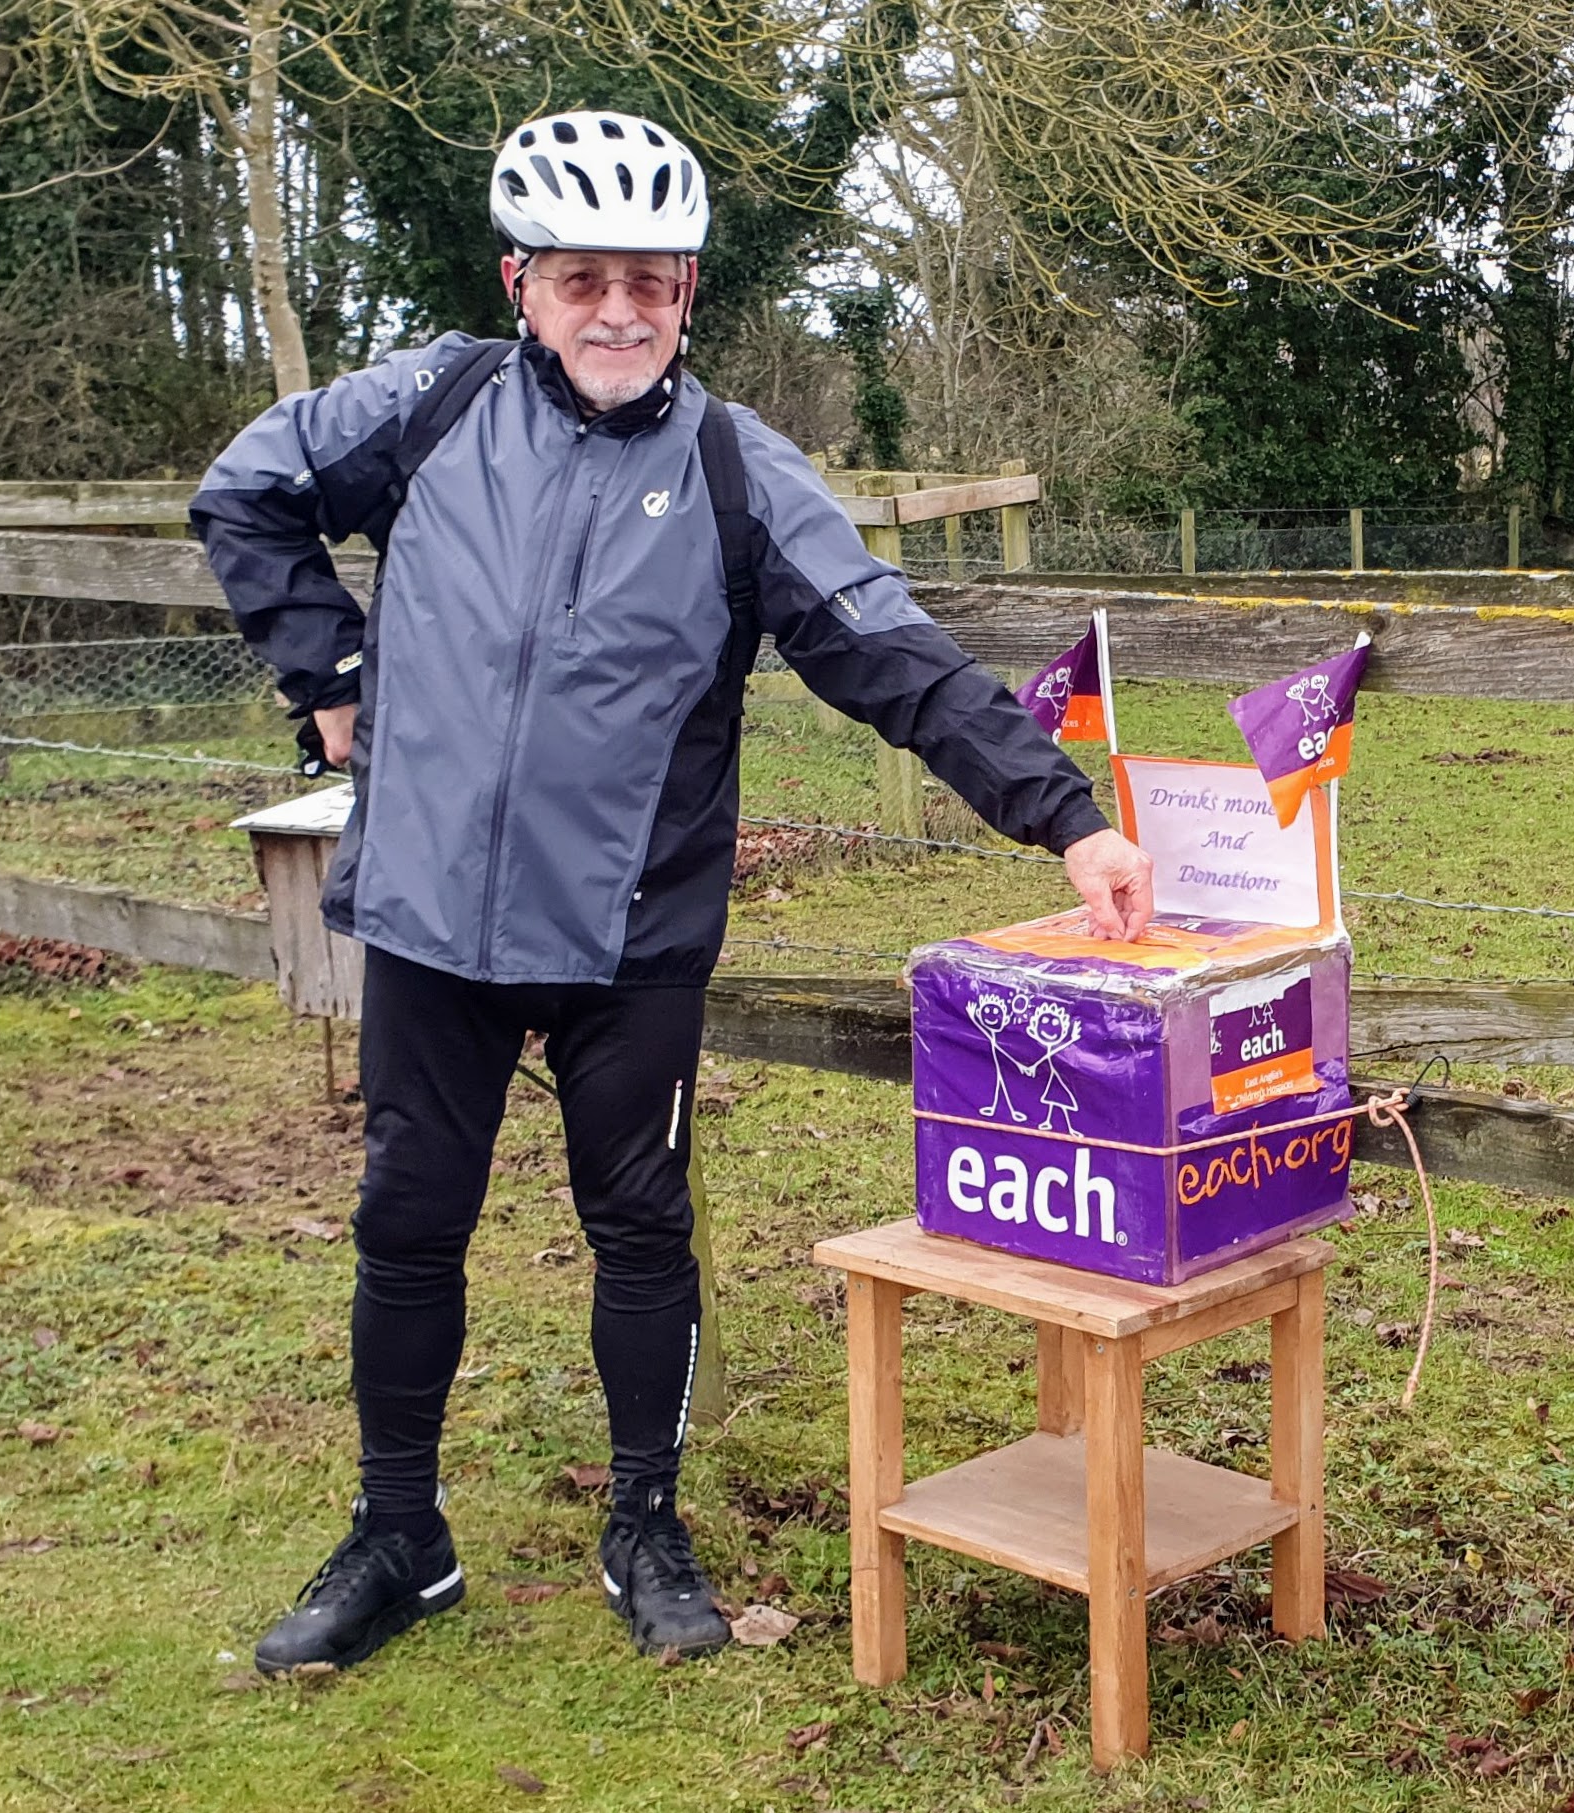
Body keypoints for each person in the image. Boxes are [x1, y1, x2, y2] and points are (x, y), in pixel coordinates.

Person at [190, 109, 1154, 1676]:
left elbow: (892, 653)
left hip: (627, 931)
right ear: (520, 283)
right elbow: (247, 490)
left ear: (688, 290)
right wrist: (329, 676)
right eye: (582, 278)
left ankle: (643, 1520)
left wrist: (1066, 819)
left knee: (640, 1225)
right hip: (432, 910)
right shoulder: (432, 406)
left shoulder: (735, 470)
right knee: (406, 1222)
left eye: (649, 279)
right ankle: (397, 1535)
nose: (618, 310)